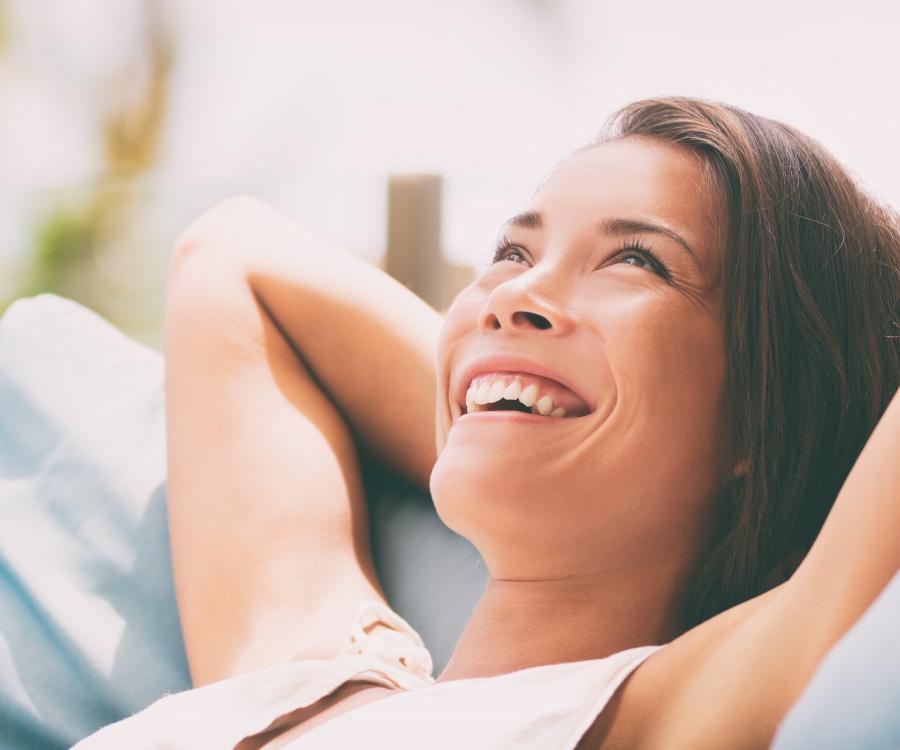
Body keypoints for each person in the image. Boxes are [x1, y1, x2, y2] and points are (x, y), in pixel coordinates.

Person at [75, 97, 900, 748]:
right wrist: (504, 402)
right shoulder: (303, 676)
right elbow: (233, 253)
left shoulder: (663, 717)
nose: (512, 297)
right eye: (512, 253)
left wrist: (544, 409)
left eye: (636, 260)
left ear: (765, 413)